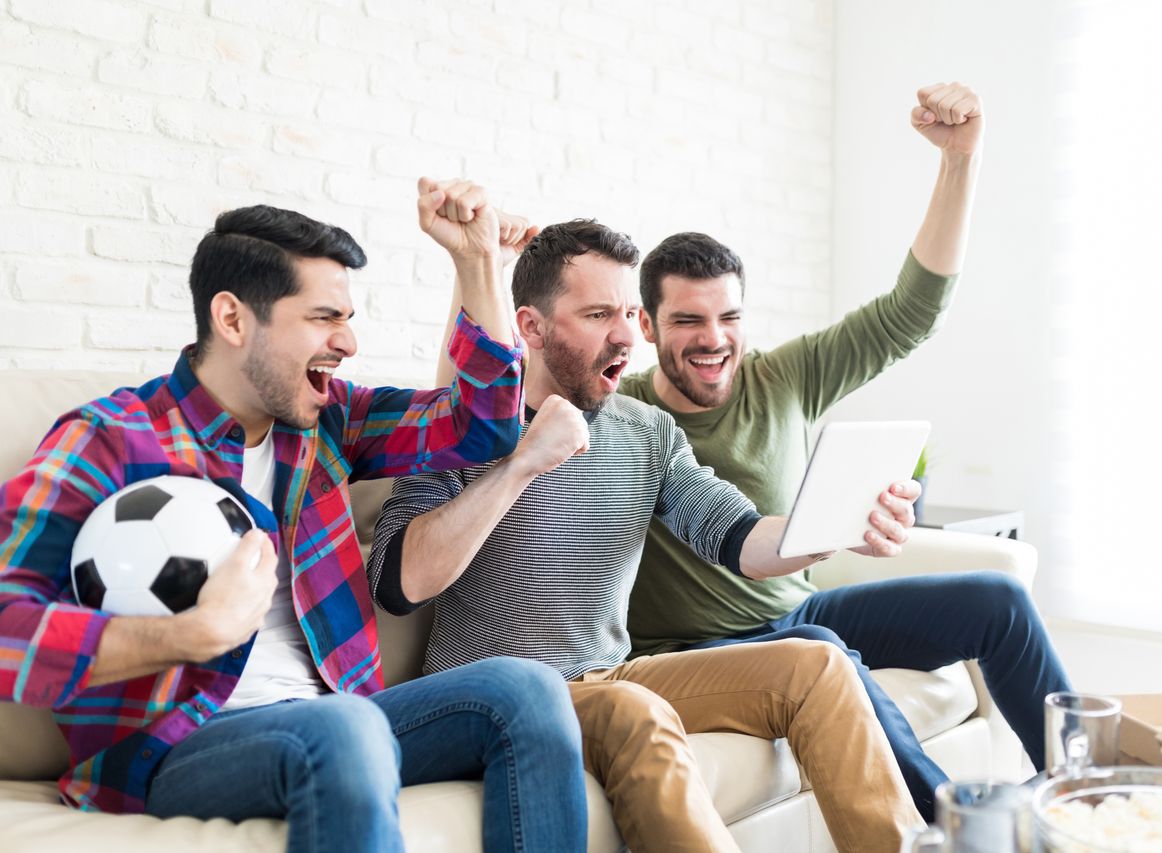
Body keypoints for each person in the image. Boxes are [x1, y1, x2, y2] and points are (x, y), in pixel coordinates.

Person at [0, 179, 589, 853]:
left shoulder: (326, 420)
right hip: (178, 747)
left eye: (348, 317)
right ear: (232, 319)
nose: (349, 341)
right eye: (324, 317)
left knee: (529, 691)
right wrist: (186, 636)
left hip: (345, 718)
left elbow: (482, 427)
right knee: (345, 727)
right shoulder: (110, 439)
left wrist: (478, 262)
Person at [371, 218, 924, 853]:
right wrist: (523, 462)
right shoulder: (457, 429)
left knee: (819, 665)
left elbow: (740, 539)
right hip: (505, 694)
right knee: (635, 709)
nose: (627, 335)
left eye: (631, 312)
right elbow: (397, 586)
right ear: (532, 327)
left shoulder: (647, 430)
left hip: (613, 673)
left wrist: (837, 525)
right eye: (600, 313)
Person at [619, 83, 1073, 821]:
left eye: (730, 315)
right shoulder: (624, 415)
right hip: (695, 650)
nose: (714, 339)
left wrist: (961, 161)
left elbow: (911, 312)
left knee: (1000, 600)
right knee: (824, 648)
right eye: (688, 320)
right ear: (645, 323)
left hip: (799, 608)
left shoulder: (783, 375)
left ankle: (1089, 796)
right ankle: (952, 825)